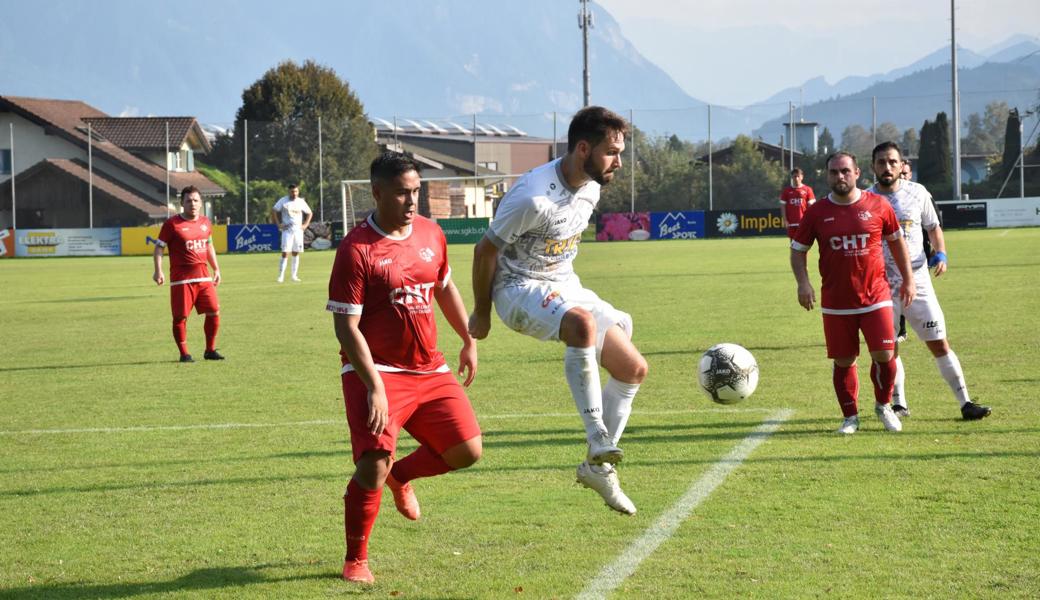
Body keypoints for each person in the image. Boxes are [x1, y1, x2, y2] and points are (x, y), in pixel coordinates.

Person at [468, 106, 648, 514]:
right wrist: (481, 312)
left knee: (632, 368)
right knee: (581, 323)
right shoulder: (532, 198)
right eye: (611, 152)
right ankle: (598, 435)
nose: (618, 162)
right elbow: (485, 250)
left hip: (565, 285)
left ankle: (596, 469)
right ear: (583, 148)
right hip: (517, 287)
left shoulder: (592, 187)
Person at [328, 152, 482, 584]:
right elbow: (346, 328)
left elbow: (445, 288)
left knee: (466, 451)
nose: (411, 200)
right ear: (377, 193)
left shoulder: (432, 233)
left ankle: (403, 476)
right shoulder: (356, 249)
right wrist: (374, 386)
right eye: (401, 192)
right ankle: (356, 559)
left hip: (430, 370)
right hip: (374, 370)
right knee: (373, 462)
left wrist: (468, 339)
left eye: (415, 191)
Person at [789, 151, 915, 434]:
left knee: (885, 352)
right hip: (837, 301)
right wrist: (803, 283)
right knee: (844, 360)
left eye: (845, 171)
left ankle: (884, 406)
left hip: (876, 296)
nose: (840, 176)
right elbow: (797, 251)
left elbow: (897, 244)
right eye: (834, 172)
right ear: (827, 176)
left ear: (857, 173)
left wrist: (909, 280)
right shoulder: (817, 212)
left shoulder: (878, 205)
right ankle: (850, 417)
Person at [868, 142, 991, 421]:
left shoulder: (918, 192)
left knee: (938, 342)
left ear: (901, 165)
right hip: (882, 285)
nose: (886, 168)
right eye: (881, 163)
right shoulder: (865, 199)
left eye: (892, 162)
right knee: (889, 347)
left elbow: (933, 227)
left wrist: (942, 253)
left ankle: (966, 402)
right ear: (872, 166)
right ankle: (898, 403)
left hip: (918, 281)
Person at [152, 185, 224, 362]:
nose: (192, 203)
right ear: (182, 203)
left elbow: (209, 246)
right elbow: (159, 248)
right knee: (180, 317)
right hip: (182, 280)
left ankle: (210, 350)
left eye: (195, 200)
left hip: (204, 277)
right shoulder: (172, 225)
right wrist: (158, 271)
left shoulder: (206, 223)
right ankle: (184, 354)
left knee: (214, 311)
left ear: (201, 203)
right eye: (188, 200)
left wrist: (216, 268)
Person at [271, 184, 313, 282]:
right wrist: (278, 224)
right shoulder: (283, 200)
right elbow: (274, 210)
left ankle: (294, 276)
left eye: (296, 191)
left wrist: (305, 225)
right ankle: (281, 276)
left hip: (298, 231)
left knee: (296, 253)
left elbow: (309, 213)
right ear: (289, 191)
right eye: (292, 191)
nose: (294, 193)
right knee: (285, 253)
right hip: (287, 231)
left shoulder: (301, 202)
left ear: (298, 192)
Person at [779, 167, 816, 239]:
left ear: (802, 177)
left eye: (798, 176)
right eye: (794, 176)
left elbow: (812, 207)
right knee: (793, 245)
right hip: (791, 223)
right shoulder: (787, 191)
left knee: (804, 245)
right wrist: (785, 220)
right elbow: (783, 206)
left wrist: (811, 220)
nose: (796, 178)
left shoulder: (808, 189)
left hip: (804, 223)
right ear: (792, 177)